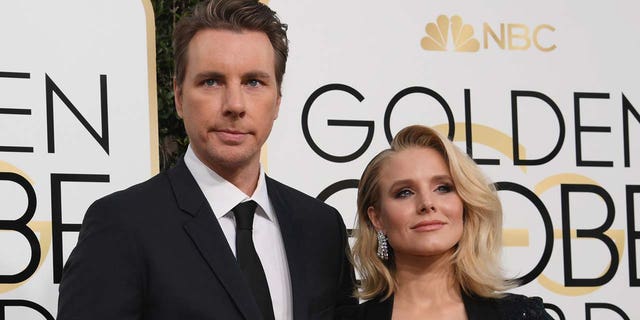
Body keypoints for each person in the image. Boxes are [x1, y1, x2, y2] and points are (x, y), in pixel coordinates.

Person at [57, 0, 356, 319]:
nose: (235, 105)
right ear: (179, 97)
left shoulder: (321, 227)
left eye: (254, 82)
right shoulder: (122, 226)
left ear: (278, 100)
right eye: (211, 81)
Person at [339, 125, 553, 319]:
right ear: (377, 218)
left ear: (464, 203)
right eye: (404, 192)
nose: (427, 203)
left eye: (443, 188)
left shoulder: (520, 316)